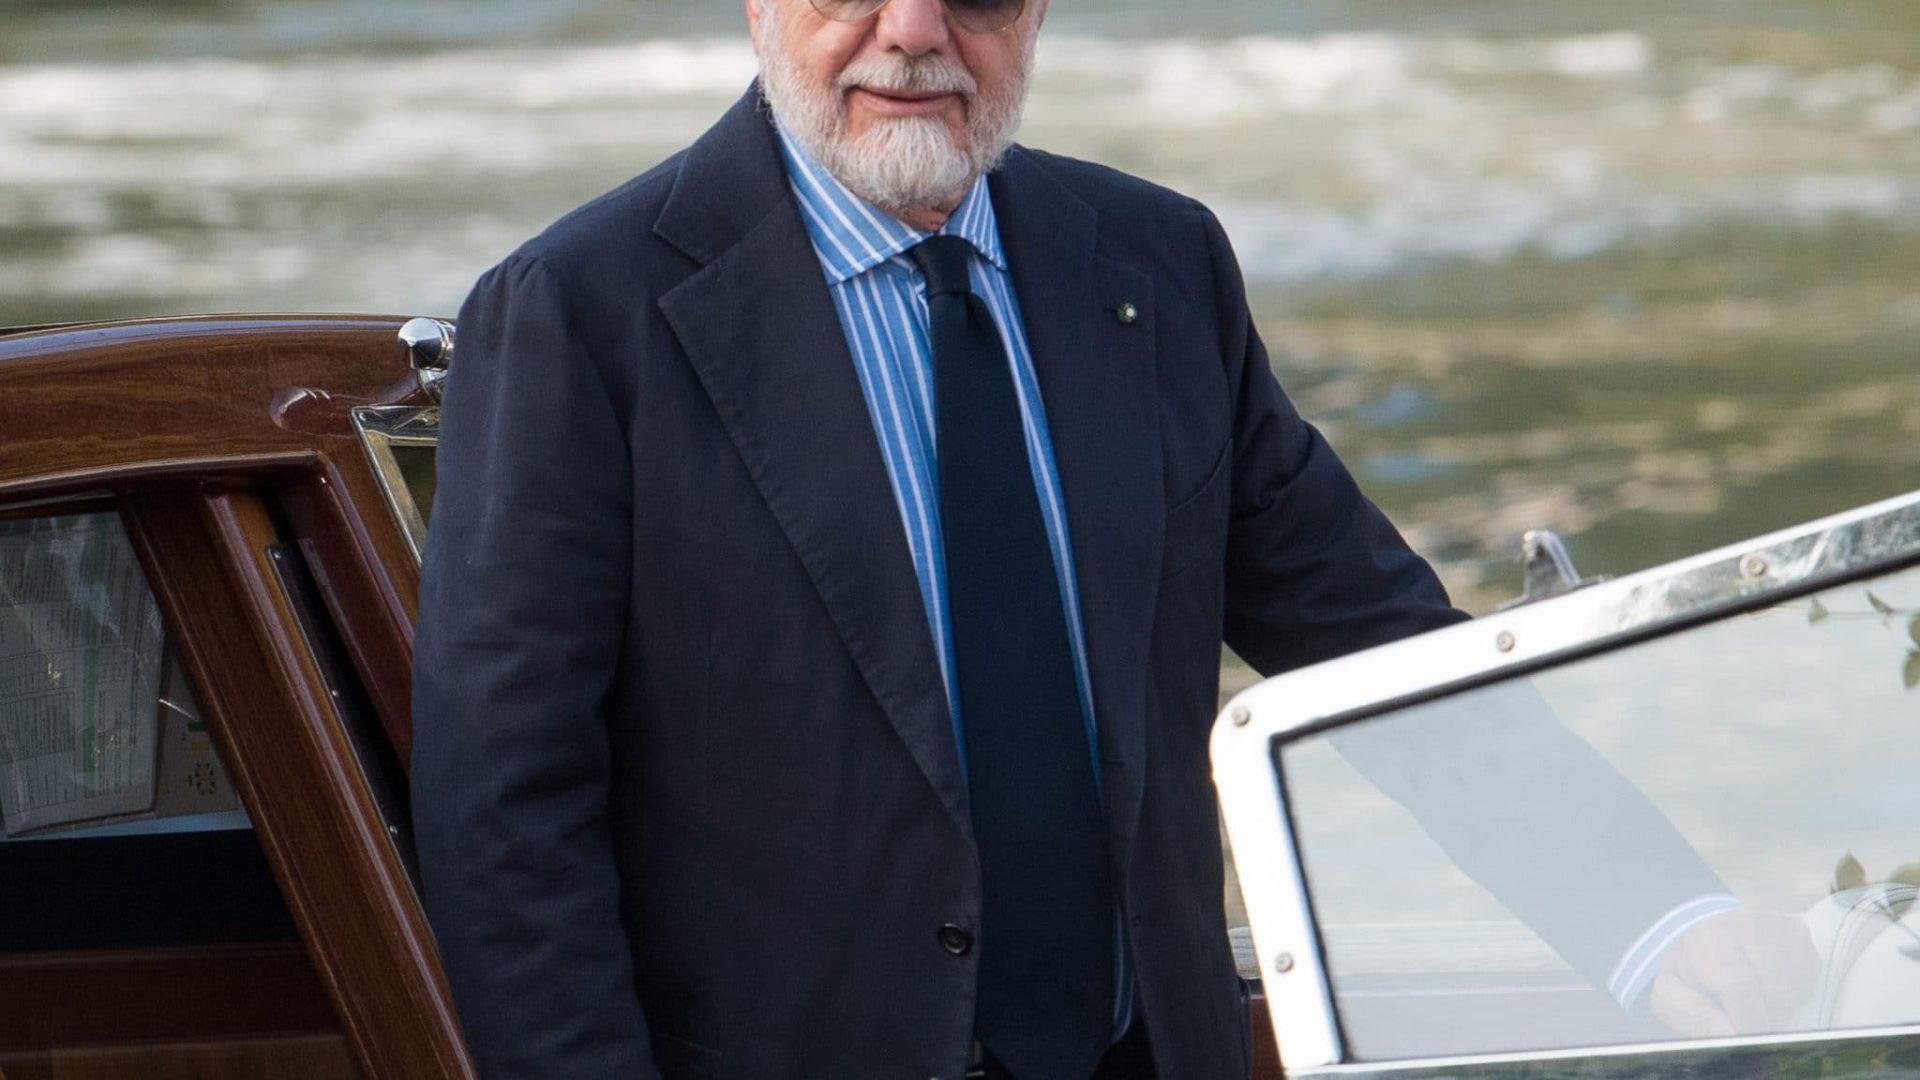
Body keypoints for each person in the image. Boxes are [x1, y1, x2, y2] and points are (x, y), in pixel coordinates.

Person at [409, 0, 1815, 1076]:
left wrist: (1660, 915)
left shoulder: (1154, 262)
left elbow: (1378, 651)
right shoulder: (576, 314)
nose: (913, 33)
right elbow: (505, 811)